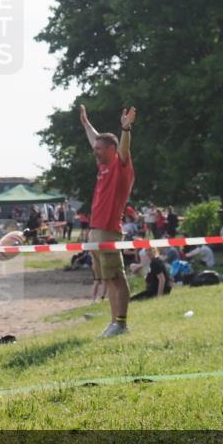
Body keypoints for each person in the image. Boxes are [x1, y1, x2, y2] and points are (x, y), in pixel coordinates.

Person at [80, 103, 137, 337]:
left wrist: (125, 129)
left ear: (111, 150)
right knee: (108, 280)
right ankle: (114, 322)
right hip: (96, 230)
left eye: (99, 149)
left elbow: (123, 149)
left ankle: (121, 324)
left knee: (116, 278)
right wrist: (86, 123)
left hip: (108, 230)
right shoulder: (103, 166)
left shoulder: (119, 165)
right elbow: (95, 139)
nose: (95, 151)